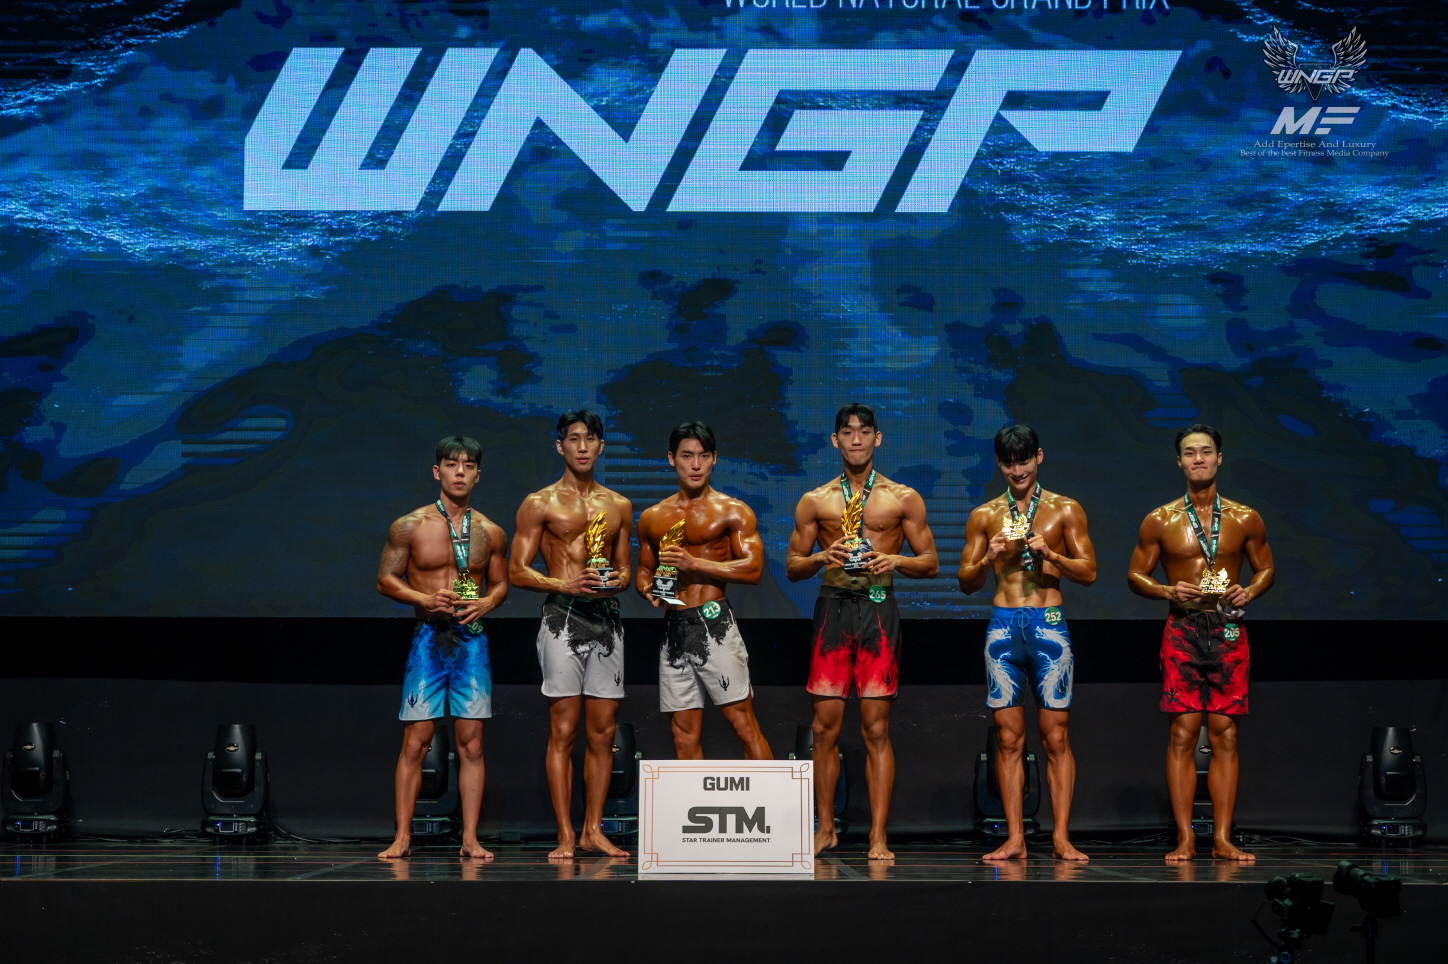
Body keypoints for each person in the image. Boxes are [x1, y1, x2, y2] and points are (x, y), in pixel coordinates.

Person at [785, 403, 940, 860]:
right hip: (832, 610)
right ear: (835, 440)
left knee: (876, 728)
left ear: (878, 438)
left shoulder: (902, 498)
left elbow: (930, 562)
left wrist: (896, 559)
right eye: (848, 432)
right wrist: (820, 557)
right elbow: (792, 566)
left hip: (877, 609)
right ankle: (826, 828)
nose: (856, 439)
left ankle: (877, 836)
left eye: (865, 431)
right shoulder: (815, 501)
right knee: (823, 728)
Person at [1128, 423, 1274, 862]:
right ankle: (1186, 838)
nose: (1198, 459)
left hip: (1228, 629)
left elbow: (1265, 568)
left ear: (1219, 459)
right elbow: (1135, 575)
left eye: (1206, 452)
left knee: (1225, 734)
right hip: (1183, 629)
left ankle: (1223, 838)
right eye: (1190, 453)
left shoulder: (1246, 518)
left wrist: (1250, 591)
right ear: (1179, 462)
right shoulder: (1160, 519)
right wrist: (1166, 590)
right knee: (1183, 733)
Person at [958, 425, 1096, 862]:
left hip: (1048, 627)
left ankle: (1061, 837)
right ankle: (1015, 838)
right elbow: (965, 582)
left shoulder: (1065, 510)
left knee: (1056, 737)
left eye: (1023, 460)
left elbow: (1089, 572)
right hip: (1003, 630)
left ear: (1039, 457)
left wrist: (1051, 555)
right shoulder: (984, 516)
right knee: (1008, 738)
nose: (1017, 471)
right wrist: (988, 558)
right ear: (1000, 464)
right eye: (1008, 463)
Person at [375, 436, 508, 860]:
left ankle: (470, 839)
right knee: (416, 742)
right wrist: (422, 598)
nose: (460, 472)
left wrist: (487, 602)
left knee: (472, 744)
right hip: (428, 639)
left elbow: (501, 583)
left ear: (478, 475)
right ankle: (403, 837)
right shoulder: (409, 525)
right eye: (452, 464)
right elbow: (385, 579)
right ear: (438, 471)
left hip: (471, 640)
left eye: (468, 465)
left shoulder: (491, 531)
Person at [510, 410, 632, 859]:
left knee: (603, 731)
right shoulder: (539, 503)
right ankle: (565, 833)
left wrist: (614, 582)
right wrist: (566, 584)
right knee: (563, 729)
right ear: (560, 446)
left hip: (606, 621)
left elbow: (625, 570)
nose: (583, 446)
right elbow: (517, 571)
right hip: (561, 617)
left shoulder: (619, 505)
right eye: (574, 439)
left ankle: (592, 830)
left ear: (601, 446)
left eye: (591, 438)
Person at [635, 421, 772, 760]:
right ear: (672, 459)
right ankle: (691, 797)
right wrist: (648, 590)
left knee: (742, 723)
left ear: (714, 459)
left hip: (714, 622)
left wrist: (694, 563)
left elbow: (753, 570)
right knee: (682, 734)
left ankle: (770, 795)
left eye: (703, 456)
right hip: (674, 627)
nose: (695, 465)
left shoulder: (733, 511)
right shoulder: (652, 517)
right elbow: (644, 570)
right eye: (687, 456)